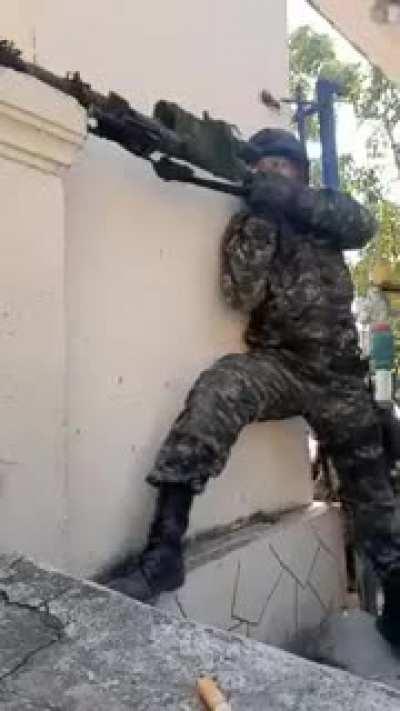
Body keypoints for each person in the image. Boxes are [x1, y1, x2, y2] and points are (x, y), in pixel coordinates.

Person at [108, 128, 400, 645]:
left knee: (372, 485)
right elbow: (240, 293)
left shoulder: (325, 215)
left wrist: (292, 201)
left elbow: (363, 223)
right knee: (220, 387)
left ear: (298, 173)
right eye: (263, 167)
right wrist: (263, 218)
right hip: (280, 366)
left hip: (339, 376)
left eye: (281, 167)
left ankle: (396, 589)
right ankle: (164, 549)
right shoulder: (250, 224)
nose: (271, 173)